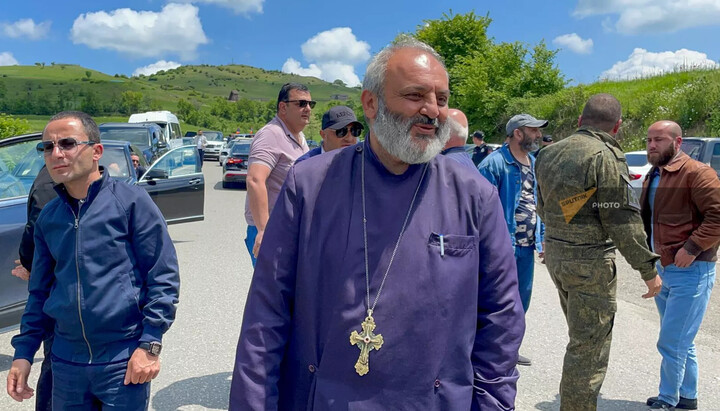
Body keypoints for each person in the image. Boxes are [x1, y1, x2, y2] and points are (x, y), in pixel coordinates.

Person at [230, 37, 524, 410]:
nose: (433, 111)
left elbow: (501, 320)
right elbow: (266, 313)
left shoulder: (475, 196)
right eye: (416, 95)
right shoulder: (309, 185)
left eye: (442, 99)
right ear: (371, 103)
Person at [7, 111, 180, 409]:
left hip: (122, 360)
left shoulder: (131, 203)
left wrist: (150, 345)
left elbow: (163, 277)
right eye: (47, 147)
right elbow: (39, 293)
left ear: (96, 151)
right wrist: (23, 353)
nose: (56, 154)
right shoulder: (49, 217)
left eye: (67, 143)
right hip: (66, 362)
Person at [534, 94, 662, 411]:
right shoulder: (604, 156)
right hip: (589, 263)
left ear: (580, 120)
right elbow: (622, 220)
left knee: (581, 339)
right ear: (616, 126)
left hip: (558, 258)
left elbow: (543, 207)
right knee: (588, 347)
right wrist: (648, 271)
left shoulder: (548, 154)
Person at [640, 121, 720, 410]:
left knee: (672, 341)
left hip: (691, 270)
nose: (651, 145)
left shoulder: (698, 173)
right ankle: (687, 397)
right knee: (682, 340)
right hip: (663, 268)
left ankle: (668, 398)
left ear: (678, 142)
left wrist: (692, 247)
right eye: (648, 139)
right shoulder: (655, 174)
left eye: (658, 139)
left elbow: (717, 216)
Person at [478, 113, 547, 366]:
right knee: (495, 300)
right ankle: (488, 351)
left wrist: (543, 238)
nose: (538, 135)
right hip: (501, 247)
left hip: (526, 248)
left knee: (520, 300)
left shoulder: (532, 162)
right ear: (518, 133)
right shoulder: (493, 164)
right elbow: (480, 209)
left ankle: (509, 349)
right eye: (533, 130)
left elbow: (537, 203)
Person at [244, 82, 310, 266]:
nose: (308, 109)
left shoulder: (299, 137)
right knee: (271, 293)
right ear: (283, 107)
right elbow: (255, 180)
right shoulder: (271, 134)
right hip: (273, 231)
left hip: (290, 230)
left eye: (310, 104)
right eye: (301, 103)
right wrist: (264, 230)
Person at [10, 165, 56, 411]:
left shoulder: (46, 180)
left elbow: (34, 227)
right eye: (49, 146)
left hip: (55, 290)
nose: (58, 152)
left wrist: (30, 265)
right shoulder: (51, 182)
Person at [296, 105, 363, 163]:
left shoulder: (363, 163)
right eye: (341, 131)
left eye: (355, 131)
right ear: (323, 135)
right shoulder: (304, 166)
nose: (349, 138)